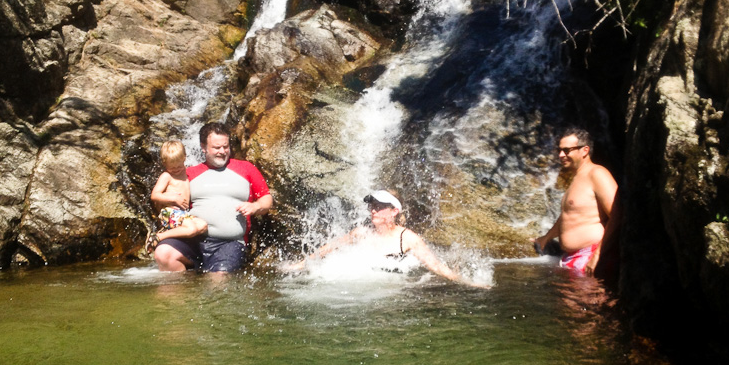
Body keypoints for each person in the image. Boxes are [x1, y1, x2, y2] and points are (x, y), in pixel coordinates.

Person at [283, 189, 487, 287]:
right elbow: (330, 247)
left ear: (394, 211)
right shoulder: (361, 233)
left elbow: (437, 267)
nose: (373, 211)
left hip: (392, 289)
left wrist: (468, 283)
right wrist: (300, 265)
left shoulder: (408, 239)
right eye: (372, 206)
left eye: (379, 207)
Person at [154, 122, 273, 274]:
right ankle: (181, 288)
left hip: (229, 243)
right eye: (217, 148)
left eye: (225, 146)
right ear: (203, 147)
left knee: (218, 279)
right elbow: (164, 202)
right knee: (163, 253)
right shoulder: (187, 174)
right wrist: (171, 198)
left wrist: (255, 206)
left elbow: (266, 199)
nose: (222, 151)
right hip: (193, 239)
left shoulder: (246, 168)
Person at [534, 127, 618, 276]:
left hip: (590, 255)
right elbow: (569, 216)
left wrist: (598, 255)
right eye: (559, 150)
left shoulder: (597, 174)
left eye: (567, 150)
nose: (561, 155)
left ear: (585, 150)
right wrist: (546, 238)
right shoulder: (577, 178)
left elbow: (617, 214)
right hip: (573, 258)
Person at [148, 139, 208, 250]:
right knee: (191, 229)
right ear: (164, 163)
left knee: (202, 225)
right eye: (172, 167)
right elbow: (154, 195)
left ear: (184, 158)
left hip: (183, 213)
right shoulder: (166, 176)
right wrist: (173, 198)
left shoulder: (187, 172)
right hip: (170, 212)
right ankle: (158, 236)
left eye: (179, 166)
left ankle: (174, 236)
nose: (176, 170)